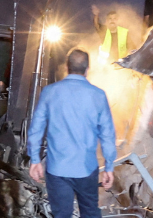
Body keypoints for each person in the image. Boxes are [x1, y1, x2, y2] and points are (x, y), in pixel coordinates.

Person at [27, 49, 115, 218]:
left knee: (61, 215)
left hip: (57, 169)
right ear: (87, 69)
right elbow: (107, 134)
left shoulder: (49, 92)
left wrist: (35, 160)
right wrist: (109, 167)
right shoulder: (98, 95)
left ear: (67, 67)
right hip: (86, 169)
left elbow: (36, 128)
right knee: (90, 213)